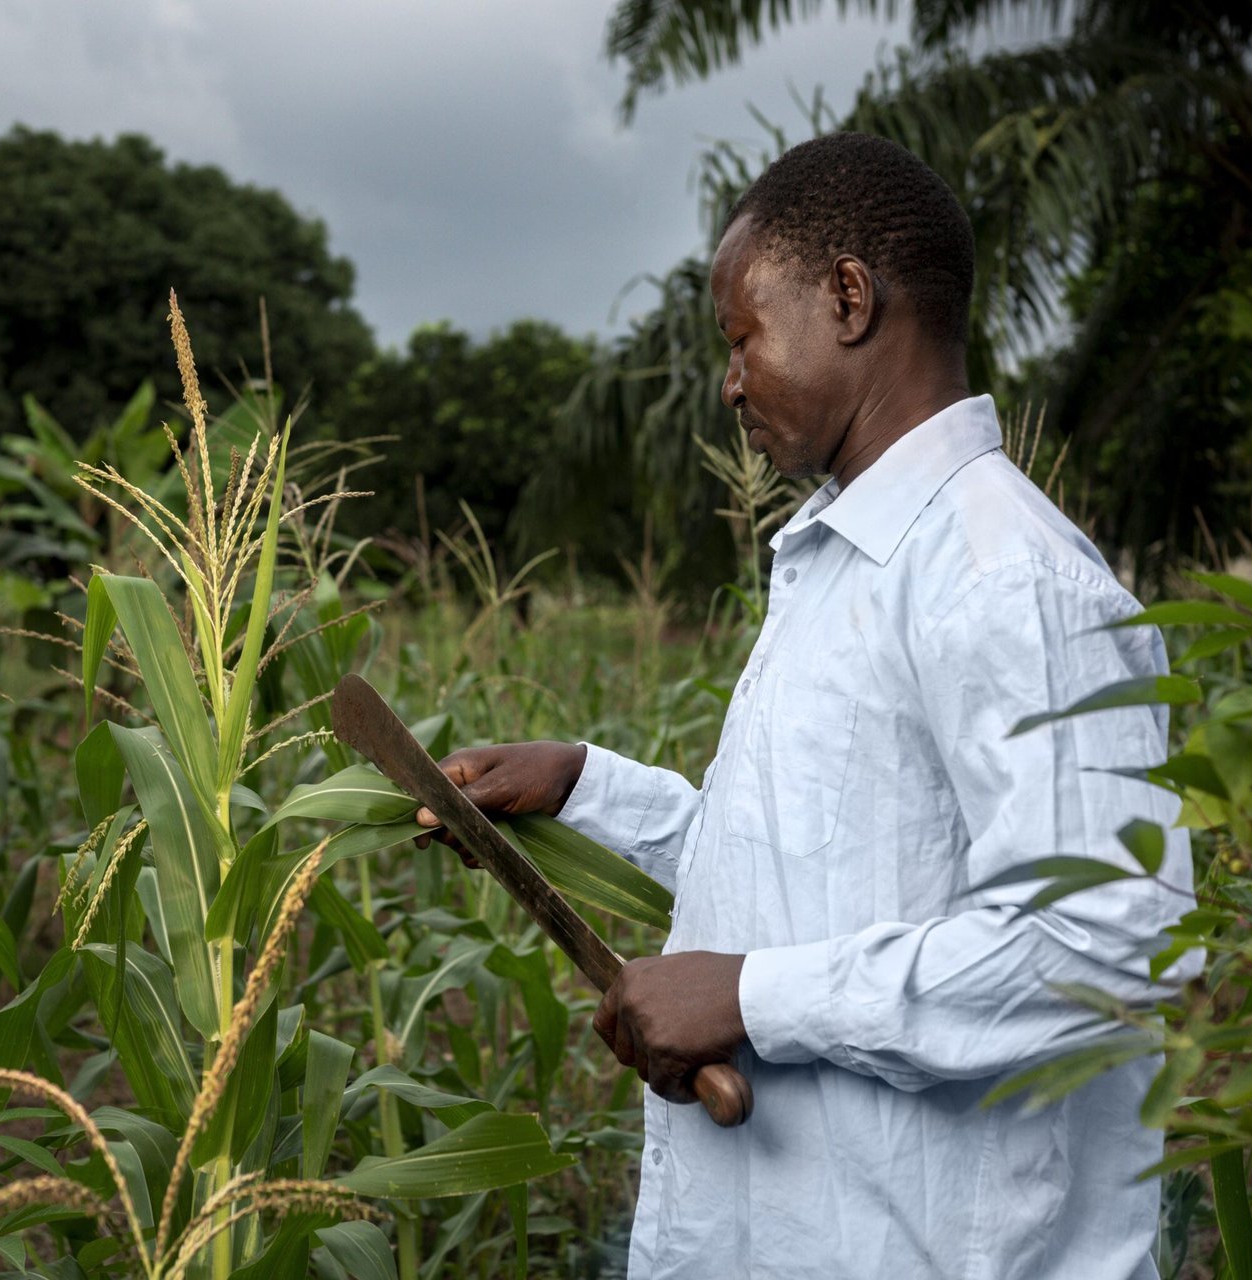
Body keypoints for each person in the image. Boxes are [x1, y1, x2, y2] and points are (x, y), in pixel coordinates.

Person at [415, 133, 1197, 1279]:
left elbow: (1102, 946)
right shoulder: (847, 563)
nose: (730, 380)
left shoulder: (1003, 578)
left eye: (742, 336)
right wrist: (589, 783)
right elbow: (824, 879)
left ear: (846, 297)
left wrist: (748, 993)